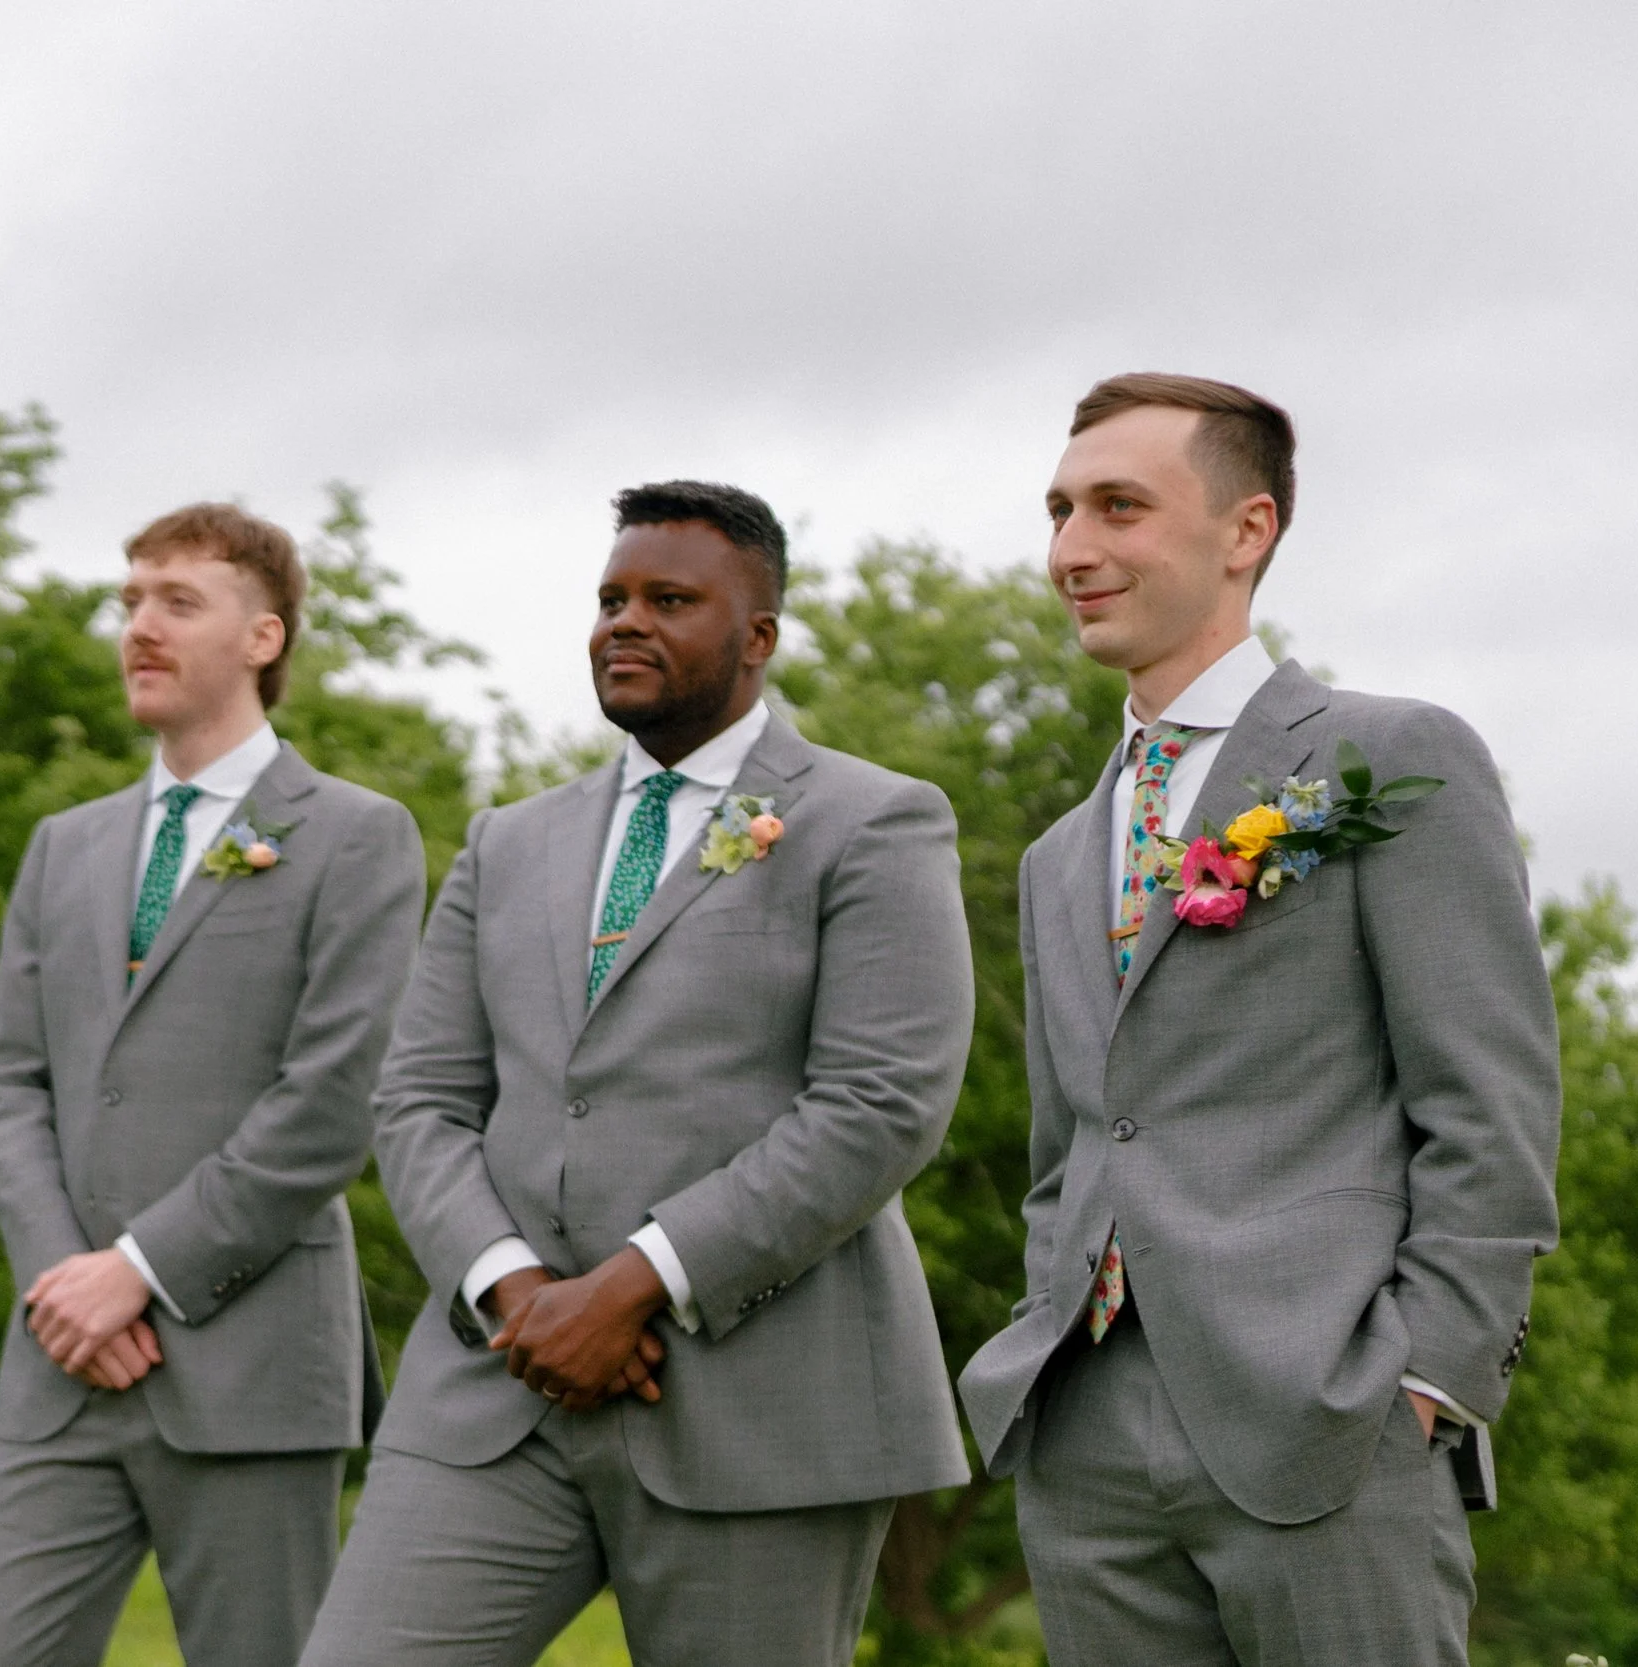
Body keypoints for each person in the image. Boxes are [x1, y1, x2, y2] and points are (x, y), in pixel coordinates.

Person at [301, 481, 974, 1667]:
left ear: (757, 636)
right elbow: (418, 1097)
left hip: (764, 1405)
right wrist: (516, 1293)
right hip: (494, 1394)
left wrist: (629, 1287)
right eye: (611, 597)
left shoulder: (873, 822)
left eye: (670, 599)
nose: (625, 621)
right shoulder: (510, 840)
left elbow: (880, 1103)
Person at [957, 374, 1561, 1666]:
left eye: (1120, 505)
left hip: (1331, 1412)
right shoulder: (1062, 853)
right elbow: (1072, 1144)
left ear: (1248, 530)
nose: (1073, 548)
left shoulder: (1385, 758)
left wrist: (1429, 1375)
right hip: (1085, 1430)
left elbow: (1488, 1104)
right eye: (1059, 510)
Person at [0, 503, 424, 1667]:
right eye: (129, 602)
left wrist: (139, 1270)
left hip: (250, 1367)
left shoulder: (359, 835)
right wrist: (70, 1283)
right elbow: (7, 1079)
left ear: (263, 636)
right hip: (63, 1366)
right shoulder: (66, 841)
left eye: (177, 600)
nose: (138, 626)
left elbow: (330, 1101)